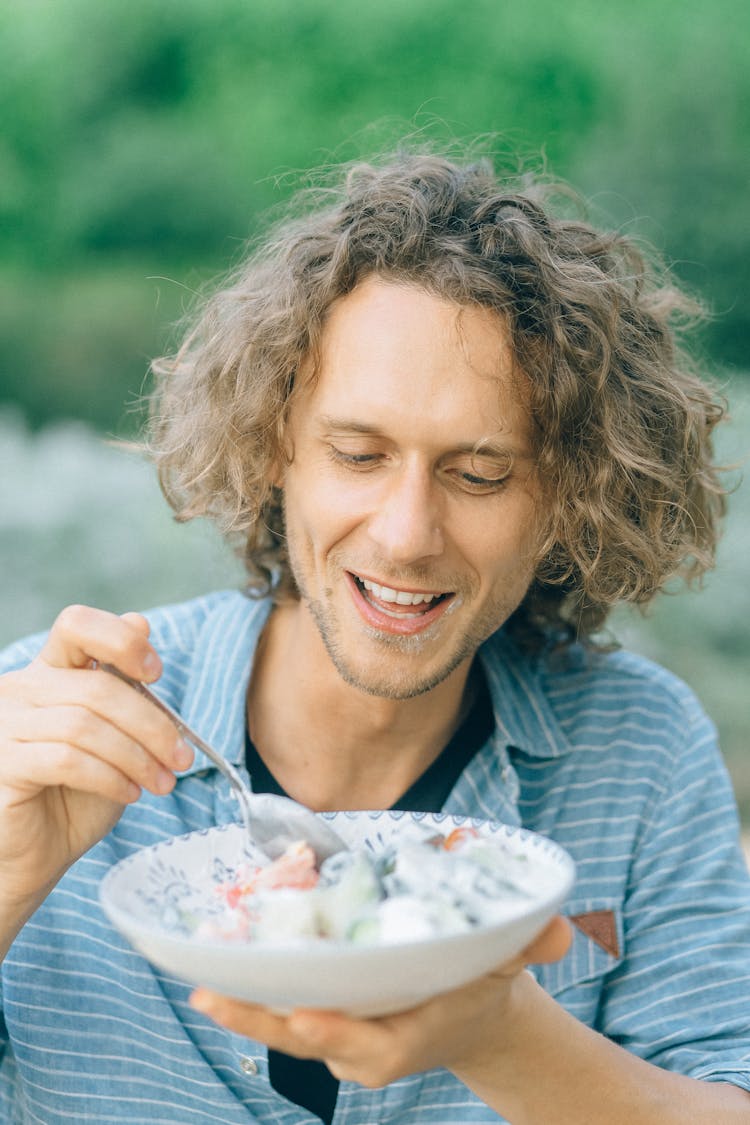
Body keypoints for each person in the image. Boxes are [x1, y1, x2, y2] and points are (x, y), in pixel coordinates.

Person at [1, 149, 749, 1125]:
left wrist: (502, 1041)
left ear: (570, 496)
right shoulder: (41, 737)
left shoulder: (642, 752)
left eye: (479, 475)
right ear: (277, 446)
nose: (404, 535)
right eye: (359, 455)